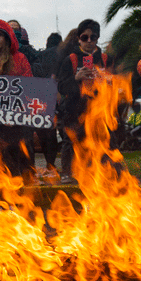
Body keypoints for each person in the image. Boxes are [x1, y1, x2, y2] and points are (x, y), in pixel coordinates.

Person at [0, 19, 34, 182]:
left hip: (14, 119)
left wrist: (15, 113)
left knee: (13, 157)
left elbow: (28, 85)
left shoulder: (20, 58)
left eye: (0, 35)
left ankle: (16, 197)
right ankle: (0, 197)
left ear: (7, 37)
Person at [57, 19, 108, 184]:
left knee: (98, 141)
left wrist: (107, 80)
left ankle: (97, 172)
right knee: (70, 140)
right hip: (74, 109)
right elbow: (62, 87)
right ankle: (66, 172)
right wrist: (76, 78)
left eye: (92, 38)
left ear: (97, 38)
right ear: (79, 38)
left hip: (98, 108)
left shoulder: (105, 59)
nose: (88, 41)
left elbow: (118, 83)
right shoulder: (70, 59)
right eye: (84, 37)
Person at [33, 32, 63, 173]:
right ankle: (62, 164)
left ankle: (49, 163)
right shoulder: (63, 55)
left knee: (46, 133)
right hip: (60, 97)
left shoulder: (40, 56)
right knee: (64, 133)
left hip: (42, 98)